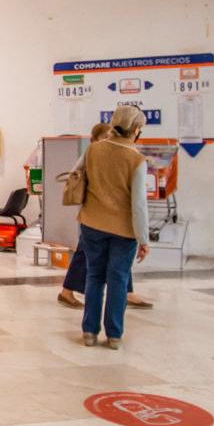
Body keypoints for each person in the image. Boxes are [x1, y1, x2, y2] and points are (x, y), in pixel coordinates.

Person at [58, 123, 154, 309]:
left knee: (113, 258)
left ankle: (126, 292)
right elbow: (75, 173)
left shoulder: (116, 155)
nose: (111, 141)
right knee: (88, 257)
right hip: (95, 215)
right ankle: (67, 291)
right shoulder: (94, 153)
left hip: (103, 217)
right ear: (95, 139)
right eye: (106, 137)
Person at [77, 105, 150, 349]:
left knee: (94, 276)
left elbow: (76, 174)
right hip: (123, 229)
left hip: (91, 222)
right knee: (118, 279)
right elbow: (138, 204)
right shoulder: (136, 159)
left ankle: (89, 331)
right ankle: (114, 335)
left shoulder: (94, 149)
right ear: (136, 129)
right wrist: (143, 239)